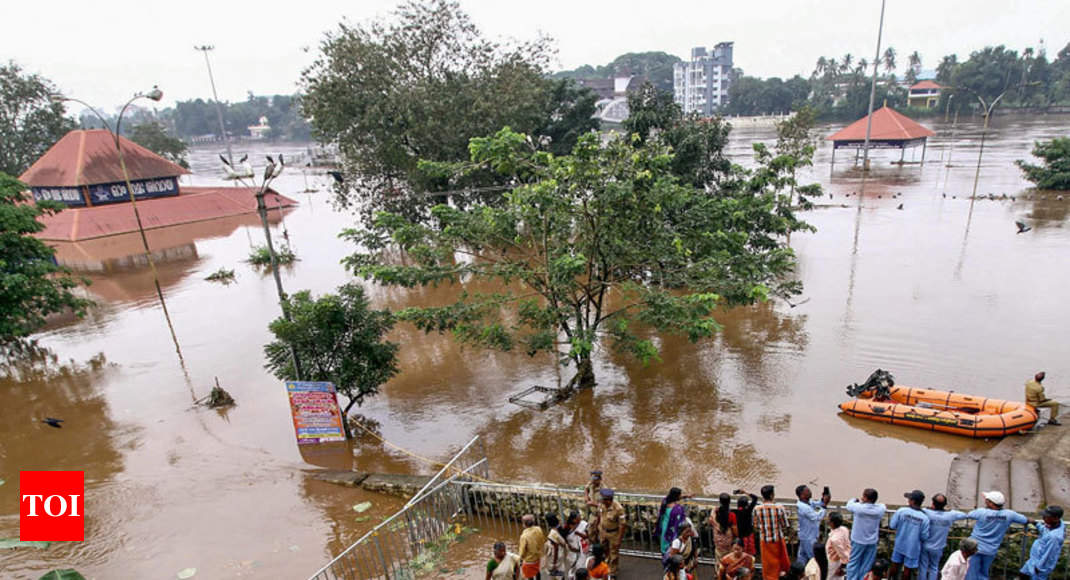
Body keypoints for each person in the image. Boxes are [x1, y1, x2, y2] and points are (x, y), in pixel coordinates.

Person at [965, 490, 1028, 580]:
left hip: (974, 548)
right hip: (991, 550)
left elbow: (969, 514)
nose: (985, 501)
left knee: (971, 573)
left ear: (991, 503)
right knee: (984, 573)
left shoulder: (981, 512)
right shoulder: (1009, 514)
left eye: (987, 500)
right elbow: (1025, 520)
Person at [920, 493, 967, 580]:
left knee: (923, 566)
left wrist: (929, 508)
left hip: (926, 544)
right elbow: (964, 515)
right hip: (938, 546)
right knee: (934, 567)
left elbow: (919, 510)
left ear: (933, 503)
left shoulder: (927, 512)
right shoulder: (950, 515)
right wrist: (949, 510)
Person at [888, 490, 931, 580]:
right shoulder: (925, 518)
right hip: (913, 547)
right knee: (908, 570)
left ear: (913, 501)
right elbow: (924, 536)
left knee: (894, 565)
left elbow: (892, 525)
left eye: (909, 499)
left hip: (899, 544)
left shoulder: (901, 511)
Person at [845, 489, 887, 580]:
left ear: (866, 498)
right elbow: (883, 505)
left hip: (858, 540)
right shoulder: (879, 510)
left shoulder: (859, 508)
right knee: (867, 564)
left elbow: (848, 505)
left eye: (863, 496)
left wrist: (854, 500)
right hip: (872, 542)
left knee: (853, 563)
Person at [753, 484, 791, 580]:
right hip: (777, 539)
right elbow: (785, 524)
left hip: (764, 540)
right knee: (781, 560)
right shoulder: (779, 508)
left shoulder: (757, 509)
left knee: (768, 564)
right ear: (771, 495)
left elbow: (756, 525)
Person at [1018, 505, 1065, 580]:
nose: (1043, 518)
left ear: (1055, 518)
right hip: (1033, 561)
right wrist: (1036, 523)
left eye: (1046, 517)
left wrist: (1039, 568)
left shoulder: (1054, 537)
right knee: (1023, 574)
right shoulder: (1053, 524)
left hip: (1040, 567)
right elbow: (1044, 531)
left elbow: (1049, 555)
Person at [796, 485, 830, 565]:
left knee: (802, 558)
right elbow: (817, 517)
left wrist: (824, 499)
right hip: (808, 537)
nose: (810, 492)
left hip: (806, 535)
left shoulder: (808, 502)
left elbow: (818, 503)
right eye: (807, 491)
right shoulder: (803, 507)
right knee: (814, 559)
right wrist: (824, 506)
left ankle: (800, 574)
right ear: (802, 495)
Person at [598, 488, 627, 578]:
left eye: (603, 499)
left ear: (609, 500)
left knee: (614, 553)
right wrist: (598, 527)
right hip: (603, 531)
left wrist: (619, 539)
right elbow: (600, 515)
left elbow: (623, 525)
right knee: (604, 549)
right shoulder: (602, 505)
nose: (602, 500)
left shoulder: (618, 508)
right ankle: (607, 565)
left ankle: (613, 572)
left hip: (613, 534)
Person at [657, 487, 690, 556]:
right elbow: (681, 519)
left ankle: (665, 554)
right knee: (673, 541)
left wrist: (686, 496)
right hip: (673, 528)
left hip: (665, 525)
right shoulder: (677, 509)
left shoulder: (665, 501)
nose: (681, 496)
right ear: (677, 496)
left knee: (665, 541)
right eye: (680, 495)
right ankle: (673, 555)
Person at [519, 513, 547, 580]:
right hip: (538, 556)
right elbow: (542, 540)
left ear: (524, 524)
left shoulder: (524, 536)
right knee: (537, 571)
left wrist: (520, 559)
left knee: (529, 575)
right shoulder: (538, 529)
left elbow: (522, 550)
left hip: (529, 559)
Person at [825, 511, 851, 580]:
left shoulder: (835, 539)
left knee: (830, 577)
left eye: (829, 520)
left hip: (834, 561)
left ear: (832, 523)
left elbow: (842, 552)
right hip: (840, 559)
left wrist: (843, 565)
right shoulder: (844, 529)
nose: (827, 521)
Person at [712, 493, 738, 562]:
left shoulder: (715, 512)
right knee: (729, 559)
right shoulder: (731, 515)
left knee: (719, 558)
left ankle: (720, 571)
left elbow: (711, 520)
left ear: (720, 502)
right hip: (728, 540)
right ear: (729, 502)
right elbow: (735, 530)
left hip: (718, 540)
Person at [543, 513, 570, 578]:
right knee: (561, 571)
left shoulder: (553, 533)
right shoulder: (559, 527)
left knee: (556, 574)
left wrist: (554, 563)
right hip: (561, 554)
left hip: (556, 557)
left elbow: (556, 548)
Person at [565, 510, 589, 577]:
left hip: (582, 550)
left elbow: (587, 536)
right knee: (573, 566)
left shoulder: (583, 524)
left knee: (581, 566)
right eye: (578, 518)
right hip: (572, 551)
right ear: (573, 519)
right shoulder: (567, 527)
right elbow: (564, 538)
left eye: (580, 517)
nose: (580, 518)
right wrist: (569, 546)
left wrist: (579, 534)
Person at [585, 471, 604, 545]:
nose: (592, 481)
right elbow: (586, 489)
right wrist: (586, 496)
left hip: (601, 516)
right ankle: (595, 550)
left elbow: (605, 505)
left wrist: (593, 503)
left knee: (601, 536)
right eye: (592, 479)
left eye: (594, 479)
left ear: (599, 479)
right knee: (591, 534)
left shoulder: (603, 489)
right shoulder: (590, 485)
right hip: (593, 515)